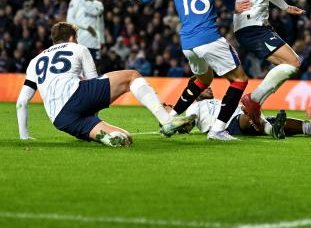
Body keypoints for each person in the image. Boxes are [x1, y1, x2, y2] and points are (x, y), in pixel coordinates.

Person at [133, 0, 251, 141]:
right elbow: (228, 1)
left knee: (204, 79)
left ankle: (169, 118)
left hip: (187, 43)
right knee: (240, 80)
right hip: (209, 38)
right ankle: (218, 130)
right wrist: (237, 6)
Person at [15, 22, 194, 147]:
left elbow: (21, 102)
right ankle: (166, 120)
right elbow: (94, 81)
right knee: (132, 75)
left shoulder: (35, 61)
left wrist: (24, 137)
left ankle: (107, 138)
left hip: (60, 119)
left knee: (125, 138)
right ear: (71, 37)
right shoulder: (77, 48)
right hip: (77, 97)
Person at [217, 0, 305, 126]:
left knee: (288, 66)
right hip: (250, 26)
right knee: (293, 62)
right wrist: (231, 4)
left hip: (260, 26)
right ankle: (253, 100)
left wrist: (284, 6)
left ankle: (254, 107)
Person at [183, 88, 311, 140]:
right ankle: (269, 127)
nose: (210, 87)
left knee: (306, 126)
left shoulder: (221, 99)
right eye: (204, 87)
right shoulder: (194, 107)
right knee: (249, 112)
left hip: (253, 119)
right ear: (197, 92)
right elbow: (188, 124)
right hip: (233, 124)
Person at [66, 0, 105, 73]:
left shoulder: (98, 4)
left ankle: (95, 85)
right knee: (78, 67)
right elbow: (69, 19)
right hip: (80, 41)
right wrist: (86, 27)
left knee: (96, 66)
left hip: (95, 42)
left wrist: (102, 40)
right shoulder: (76, 0)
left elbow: (101, 23)